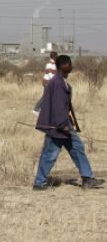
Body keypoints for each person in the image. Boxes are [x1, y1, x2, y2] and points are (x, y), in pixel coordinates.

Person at [32, 55, 104, 190]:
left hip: (64, 125)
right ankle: (39, 183)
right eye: (70, 64)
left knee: (77, 149)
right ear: (64, 65)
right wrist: (62, 125)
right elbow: (59, 106)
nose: (72, 66)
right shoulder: (58, 83)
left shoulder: (61, 81)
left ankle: (87, 178)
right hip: (57, 126)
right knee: (50, 154)